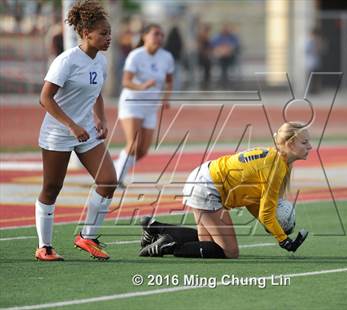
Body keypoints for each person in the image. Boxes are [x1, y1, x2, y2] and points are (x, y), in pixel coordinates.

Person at [138, 122, 312, 259]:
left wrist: (274, 228)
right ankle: (169, 244)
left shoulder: (275, 158)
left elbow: (253, 202)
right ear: (290, 144)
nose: (310, 146)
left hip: (203, 178)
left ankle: (155, 228)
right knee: (230, 252)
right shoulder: (276, 167)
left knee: (207, 243)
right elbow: (266, 214)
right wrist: (284, 240)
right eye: (304, 142)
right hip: (207, 186)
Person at [35, 0, 116, 261]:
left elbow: (97, 94)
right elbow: (45, 98)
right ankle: (44, 247)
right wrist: (72, 125)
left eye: (109, 33)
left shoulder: (100, 62)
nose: (108, 38)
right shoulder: (66, 61)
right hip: (59, 132)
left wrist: (100, 119)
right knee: (52, 187)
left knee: (108, 180)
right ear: (85, 33)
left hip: (86, 132)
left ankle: (87, 237)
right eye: (103, 33)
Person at [114, 24, 174, 184]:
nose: (159, 38)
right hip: (133, 103)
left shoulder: (166, 57)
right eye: (155, 34)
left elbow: (169, 81)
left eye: (162, 35)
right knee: (133, 144)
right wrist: (142, 86)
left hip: (151, 107)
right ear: (144, 36)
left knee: (142, 150)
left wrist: (166, 98)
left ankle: (115, 168)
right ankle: (116, 179)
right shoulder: (136, 55)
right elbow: (126, 81)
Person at [211, 24, 240, 88]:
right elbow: (213, 46)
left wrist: (228, 50)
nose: (225, 31)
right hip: (220, 56)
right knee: (222, 62)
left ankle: (224, 81)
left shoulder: (232, 37)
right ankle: (224, 81)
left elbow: (235, 46)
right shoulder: (217, 37)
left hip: (230, 57)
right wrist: (221, 50)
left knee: (225, 62)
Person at [197, 23, 212, 90]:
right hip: (202, 57)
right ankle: (204, 86)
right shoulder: (201, 37)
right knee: (206, 71)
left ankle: (206, 86)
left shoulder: (205, 37)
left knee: (207, 72)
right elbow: (200, 47)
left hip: (205, 57)